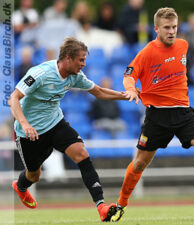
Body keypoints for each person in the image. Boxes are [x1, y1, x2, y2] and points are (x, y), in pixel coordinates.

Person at [111, 7, 194, 222]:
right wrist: (132, 89)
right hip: (157, 117)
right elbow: (129, 75)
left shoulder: (183, 45)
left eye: (174, 27)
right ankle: (121, 204)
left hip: (183, 113)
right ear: (156, 29)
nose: (172, 31)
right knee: (140, 163)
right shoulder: (147, 52)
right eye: (167, 28)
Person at [9, 37, 130, 222]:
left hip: (56, 124)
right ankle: (21, 187)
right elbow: (14, 98)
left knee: (82, 154)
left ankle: (102, 206)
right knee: (34, 175)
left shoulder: (75, 76)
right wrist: (25, 124)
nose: (84, 64)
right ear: (67, 58)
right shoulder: (40, 73)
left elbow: (99, 91)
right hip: (29, 132)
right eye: (81, 60)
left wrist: (127, 95)